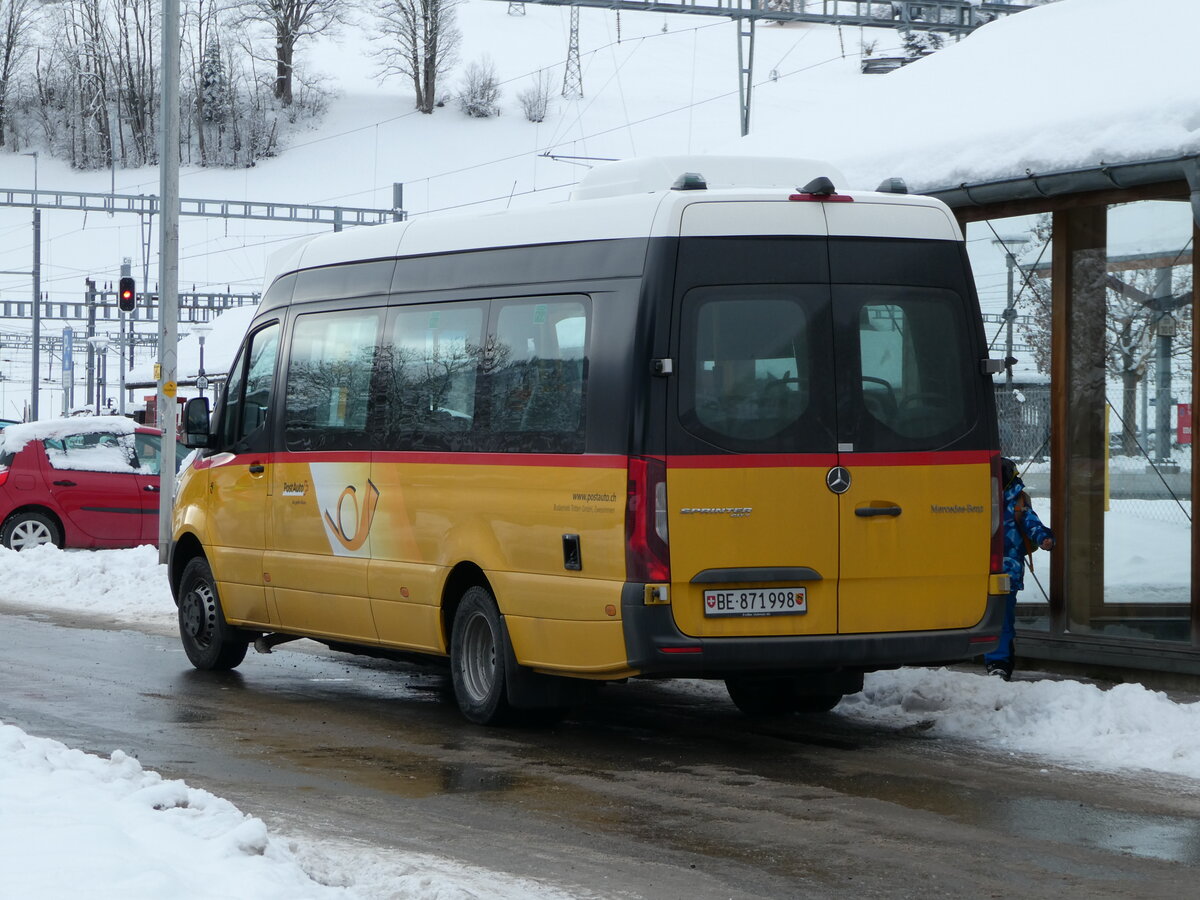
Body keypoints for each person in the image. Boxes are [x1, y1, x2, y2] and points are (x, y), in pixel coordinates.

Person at [985, 457, 1055, 681]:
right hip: (987, 571)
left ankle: (998, 663)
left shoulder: (1017, 502)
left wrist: (1045, 538)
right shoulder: (979, 499)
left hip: (1006, 573)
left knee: (1000, 618)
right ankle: (1000, 660)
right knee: (994, 617)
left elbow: (1032, 524)